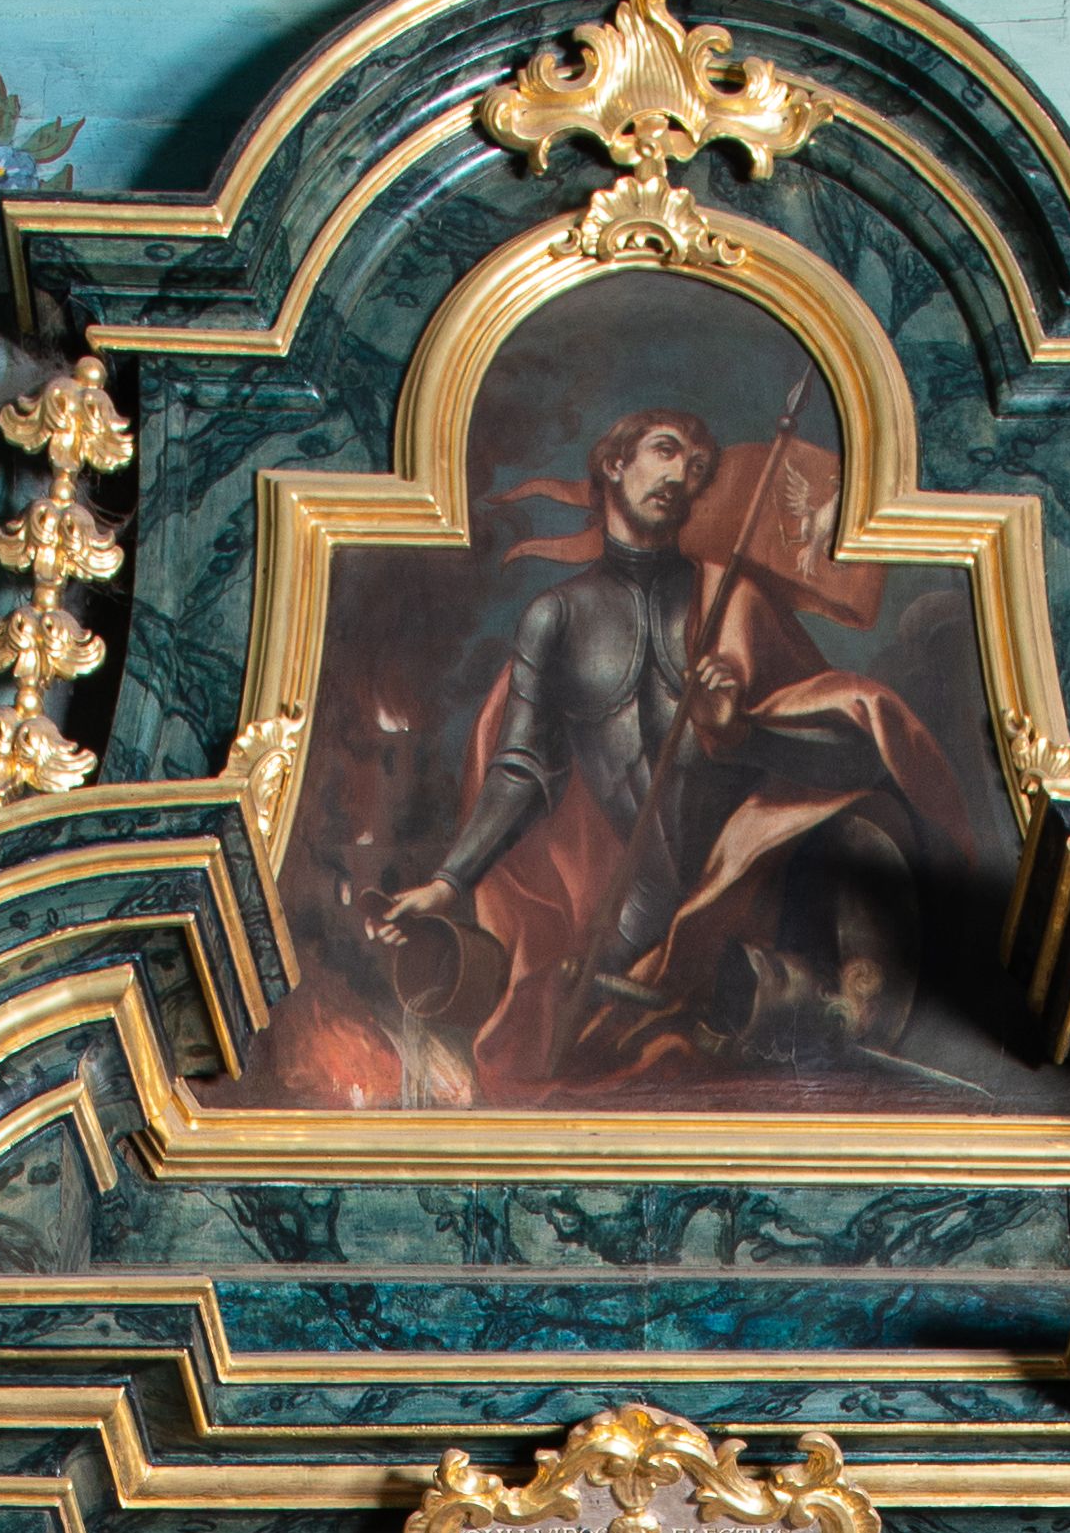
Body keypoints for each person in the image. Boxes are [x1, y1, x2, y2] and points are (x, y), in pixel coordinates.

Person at [371, 396, 974, 1104]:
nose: (680, 475)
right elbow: (523, 769)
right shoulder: (557, 617)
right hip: (634, 923)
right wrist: (450, 882)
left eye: (696, 467)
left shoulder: (732, 603)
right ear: (613, 463)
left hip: (747, 898)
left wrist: (742, 732)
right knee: (569, 1062)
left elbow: (855, 761)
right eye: (665, 450)